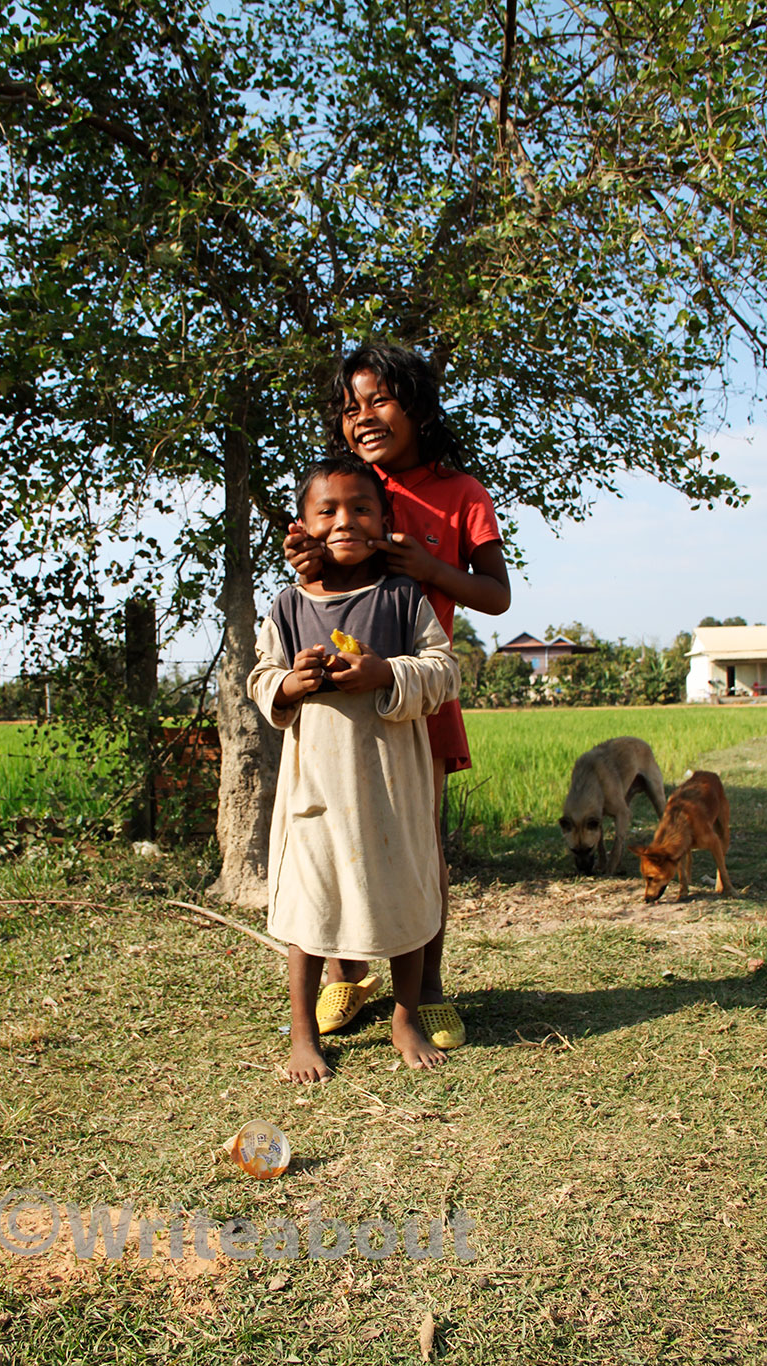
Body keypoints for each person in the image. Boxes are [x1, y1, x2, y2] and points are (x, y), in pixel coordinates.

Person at [285, 343, 511, 1050]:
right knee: (336, 841)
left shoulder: (460, 492)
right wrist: (306, 559)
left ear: (414, 402)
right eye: (350, 406)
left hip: (418, 694)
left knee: (418, 850)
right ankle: (348, 977)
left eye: (379, 399)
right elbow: (308, 591)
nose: (363, 416)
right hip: (335, 711)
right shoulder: (344, 492)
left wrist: (431, 567)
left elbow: (497, 596)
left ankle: (428, 988)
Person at [248, 454, 461, 1081]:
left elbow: (444, 668)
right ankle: (303, 1031)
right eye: (327, 510)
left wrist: (385, 672)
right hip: (313, 789)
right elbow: (259, 677)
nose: (345, 520)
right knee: (309, 901)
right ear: (302, 527)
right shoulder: (288, 607)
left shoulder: (401, 598)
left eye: (361, 508)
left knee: (403, 888)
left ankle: (405, 1015)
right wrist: (290, 683)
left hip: (391, 785)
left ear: (385, 521)